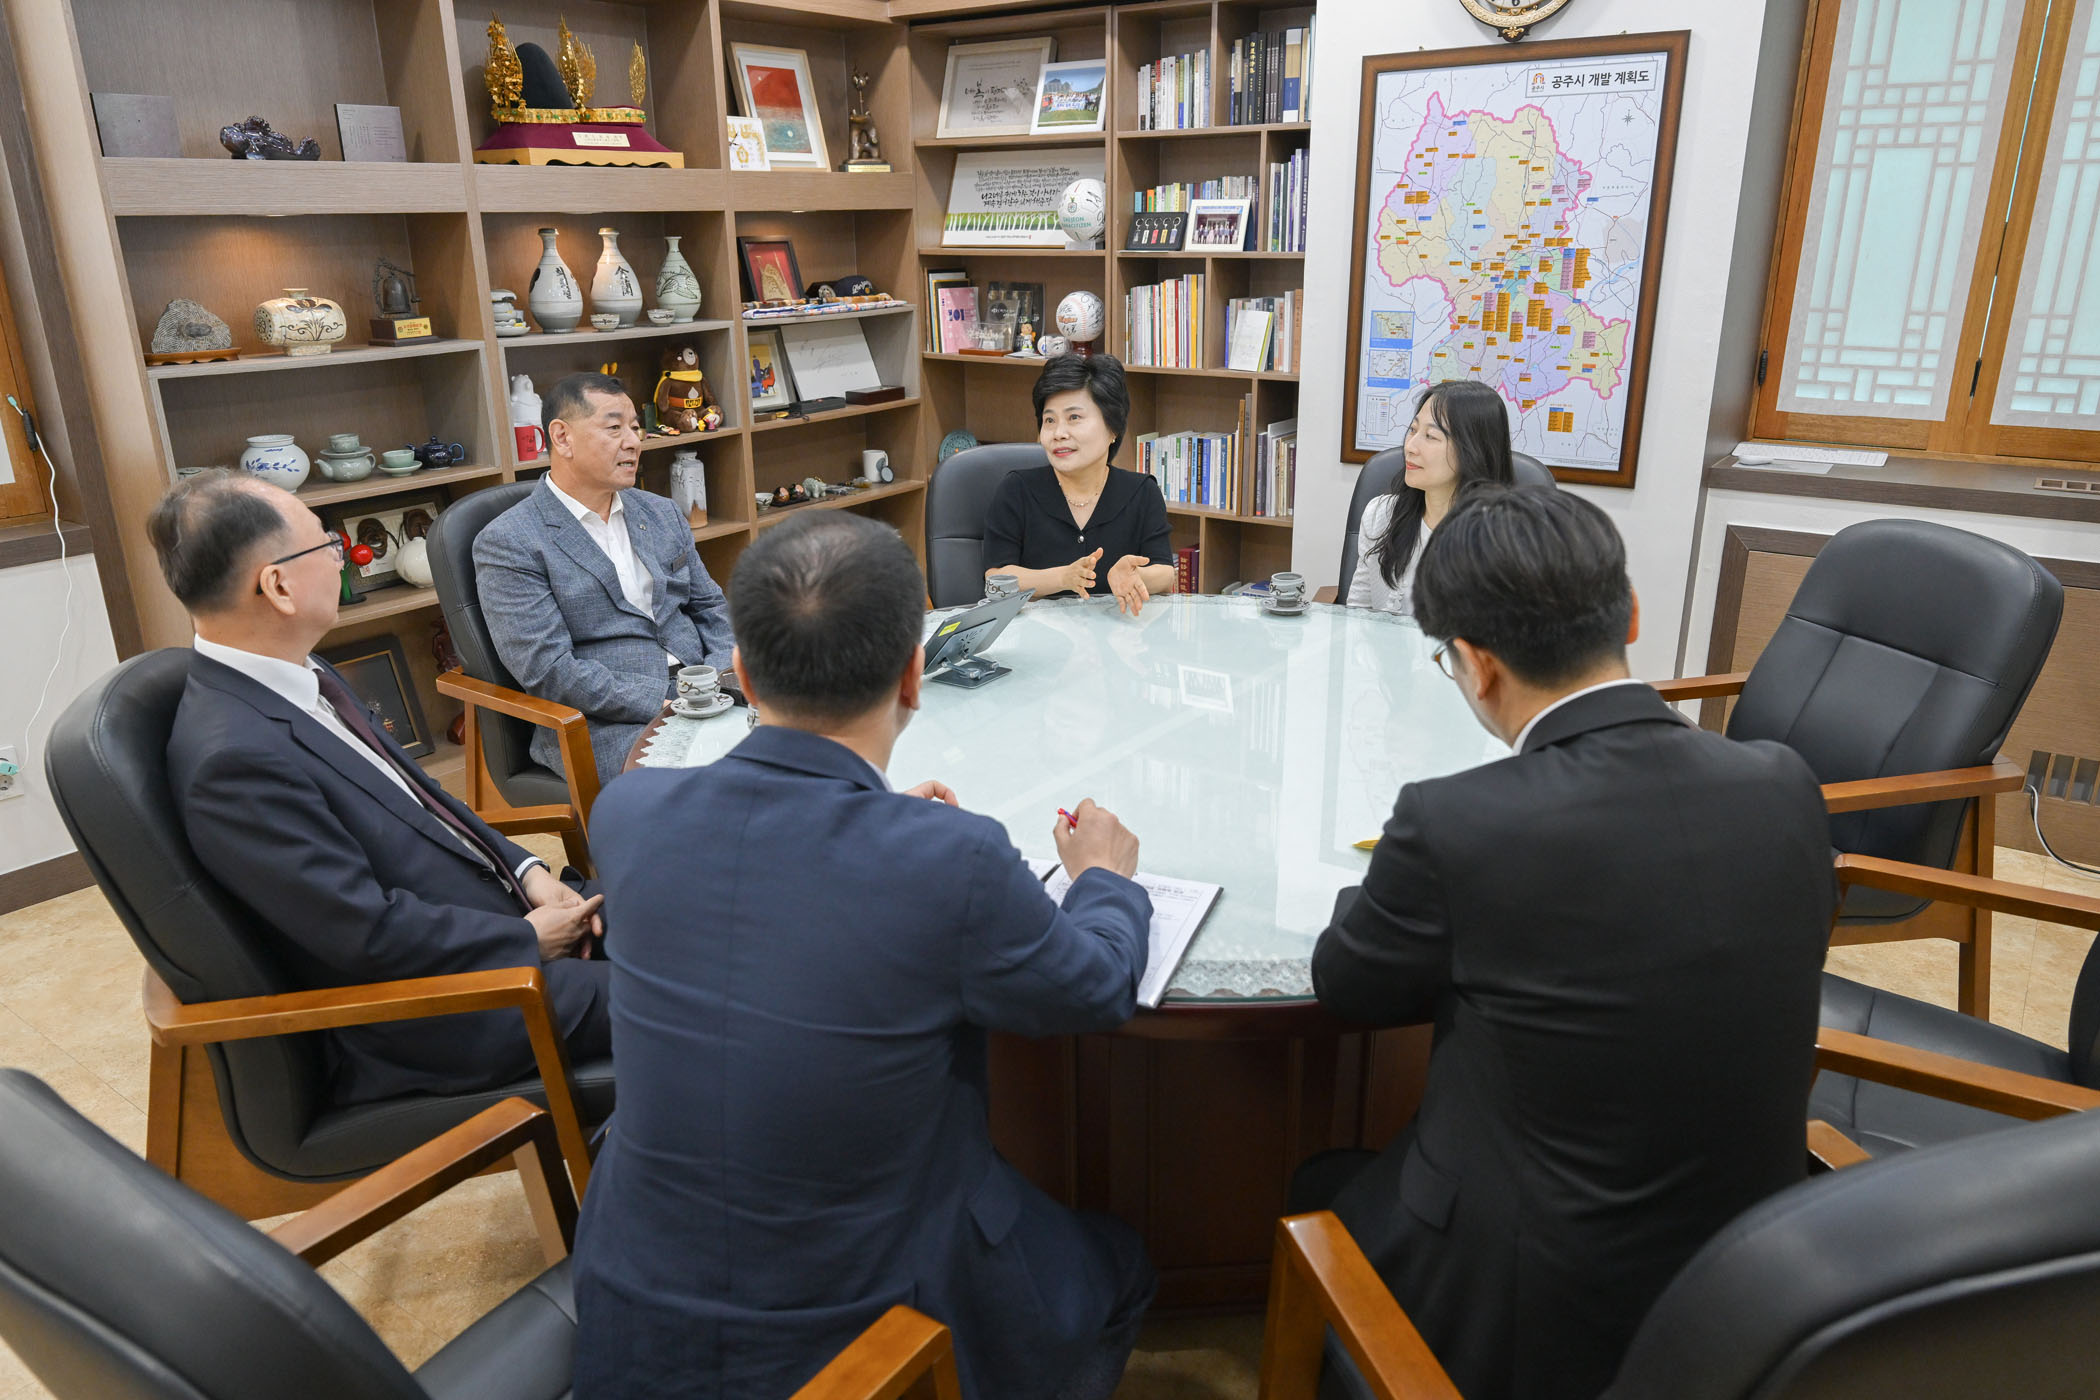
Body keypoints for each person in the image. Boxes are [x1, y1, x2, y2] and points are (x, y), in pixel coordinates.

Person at [571, 512, 1157, 1400]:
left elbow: (763, 892)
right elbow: (1098, 987)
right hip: (870, 1336)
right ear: (915, 675)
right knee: (1124, 1259)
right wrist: (1103, 878)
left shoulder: (628, 814)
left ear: (742, 674)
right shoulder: (953, 860)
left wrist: (887, 828)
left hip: (632, 1305)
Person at [1300, 486, 1835, 1400]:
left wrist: (1384, 880)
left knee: (1323, 1180)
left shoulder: (1457, 823)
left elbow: (1347, 984)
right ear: (1632, 616)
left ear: (1476, 665)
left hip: (1526, 1309)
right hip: (1750, 1278)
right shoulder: (1783, 782)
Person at [150, 470, 609, 1106]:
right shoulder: (233, 759)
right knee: (693, 998)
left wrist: (528, 872)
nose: (341, 557)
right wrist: (527, 940)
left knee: (688, 918)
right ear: (278, 586)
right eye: (325, 544)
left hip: (496, 924)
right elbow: (362, 934)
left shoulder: (301, 671)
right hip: (456, 1008)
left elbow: (427, 803)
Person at [475, 372, 733, 784]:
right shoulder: (510, 541)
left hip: (707, 689)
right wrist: (668, 700)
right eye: (614, 428)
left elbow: (711, 608)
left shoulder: (661, 512)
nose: (633, 442)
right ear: (562, 437)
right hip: (604, 721)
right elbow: (549, 671)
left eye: (635, 427)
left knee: (805, 740)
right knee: (711, 783)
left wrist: (721, 676)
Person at [982, 354, 1176, 616]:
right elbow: (996, 578)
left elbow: (1164, 572)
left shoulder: (1142, 492)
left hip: (1117, 634)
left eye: (1074, 417)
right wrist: (1063, 578)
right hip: (1036, 635)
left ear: (1113, 428)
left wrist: (1135, 576)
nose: (1058, 433)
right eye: (1049, 420)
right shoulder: (1016, 490)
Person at [1345, 380, 1513, 615]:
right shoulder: (1380, 515)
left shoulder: (1505, 539)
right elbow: (1356, 612)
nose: (1410, 447)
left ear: (1473, 449)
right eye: (1413, 430)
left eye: (1431, 436)